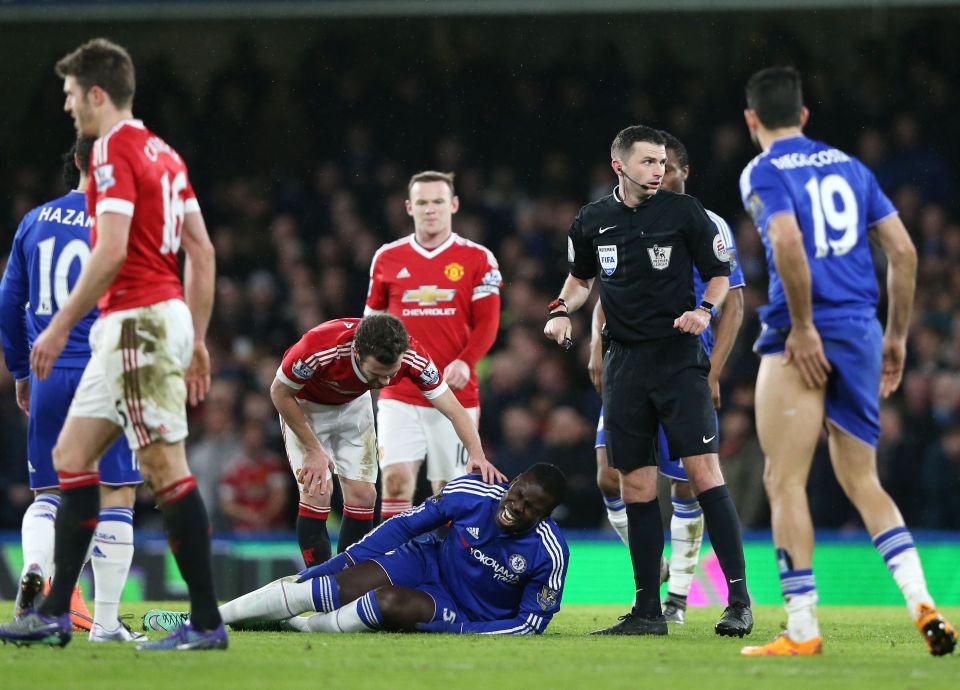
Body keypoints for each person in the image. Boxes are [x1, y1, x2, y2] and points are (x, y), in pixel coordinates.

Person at [0, 38, 225, 651]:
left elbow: (113, 249)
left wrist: (56, 323)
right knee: (72, 456)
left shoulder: (110, 152)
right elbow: (200, 249)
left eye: (72, 96)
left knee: (162, 469)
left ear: (97, 94)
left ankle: (206, 622)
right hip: (143, 325)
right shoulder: (165, 153)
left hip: (138, 324)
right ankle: (52, 612)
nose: (68, 107)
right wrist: (198, 337)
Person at [738, 66, 956, 657]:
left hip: (799, 335)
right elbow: (905, 252)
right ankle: (921, 602)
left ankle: (803, 629)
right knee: (863, 479)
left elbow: (785, 242)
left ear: (752, 119)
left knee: (784, 480)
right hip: (862, 331)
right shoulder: (851, 167)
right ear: (805, 116)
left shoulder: (763, 170)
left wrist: (804, 327)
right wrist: (897, 337)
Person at [544, 125, 752, 637]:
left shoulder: (687, 213)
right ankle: (647, 611)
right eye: (648, 162)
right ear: (620, 166)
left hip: (679, 361)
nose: (658, 170)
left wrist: (705, 310)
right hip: (624, 366)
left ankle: (738, 601)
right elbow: (580, 279)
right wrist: (559, 309)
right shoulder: (592, 221)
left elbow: (721, 275)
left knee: (703, 475)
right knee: (634, 484)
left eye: (662, 162)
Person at [144, 464, 568, 636]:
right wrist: (341, 560)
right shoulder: (472, 493)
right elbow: (403, 526)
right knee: (329, 585)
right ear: (510, 485)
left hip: (463, 610)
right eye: (517, 496)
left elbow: (530, 624)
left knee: (385, 603)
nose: (517, 509)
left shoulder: (548, 552)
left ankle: (301, 629)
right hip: (426, 561)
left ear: (546, 514)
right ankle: (200, 619)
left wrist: (465, 631)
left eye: (532, 508)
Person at [0, 137, 144, 642]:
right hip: (105, 370)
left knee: (51, 492)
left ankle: (36, 566)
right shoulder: (123, 225)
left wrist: (21, 370)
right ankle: (104, 624)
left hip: (49, 371)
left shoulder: (34, 221)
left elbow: (8, 300)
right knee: (118, 493)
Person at [270, 313, 505, 567]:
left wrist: (477, 455)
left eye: (390, 374)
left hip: (352, 406)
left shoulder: (412, 355)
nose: (384, 382)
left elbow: (453, 409)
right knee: (317, 492)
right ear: (357, 353)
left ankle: (348, 584)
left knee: (363, 496)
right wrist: (312, 448)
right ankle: (316, 585)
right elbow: (279, 392)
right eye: (377, 374)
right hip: (305, 409)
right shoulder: (319, 346)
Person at [365, 171, 501, 521]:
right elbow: (371, 324)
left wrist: (466, 361)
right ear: (409, 207)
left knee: (449, 492)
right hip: (399, 392)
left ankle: (444, 572)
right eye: (422, 202)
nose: (430, 210)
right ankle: (394, 568)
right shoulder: (387, 258)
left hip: (454, 394)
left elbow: (488, 322)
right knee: (394, 483)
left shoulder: (478, 259)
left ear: (453, 205)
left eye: (438, 201)